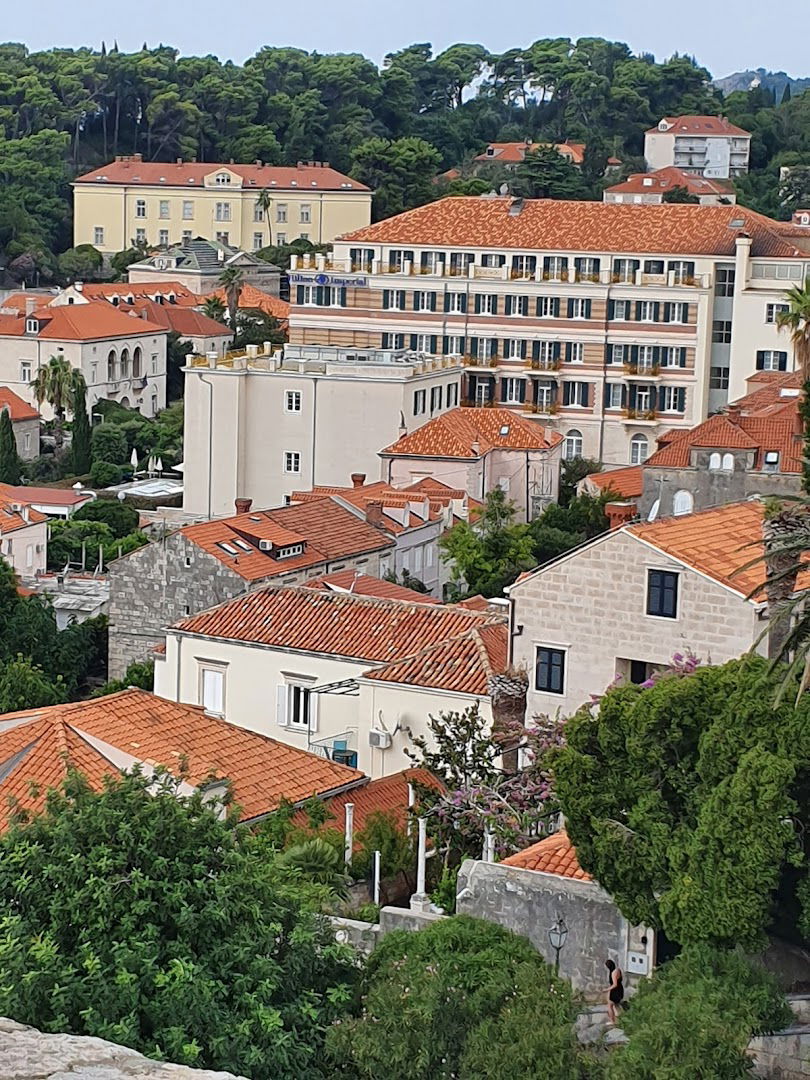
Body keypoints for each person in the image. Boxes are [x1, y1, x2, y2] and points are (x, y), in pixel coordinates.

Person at [605, 958, 624, 1024]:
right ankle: (620, 1020)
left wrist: (606, 989)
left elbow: (615, 984)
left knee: (610, 1006)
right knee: (616, 1005)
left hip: (615, 990)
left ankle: (612, 1021)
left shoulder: (613, 973)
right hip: (620, 989)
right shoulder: (618, 970)